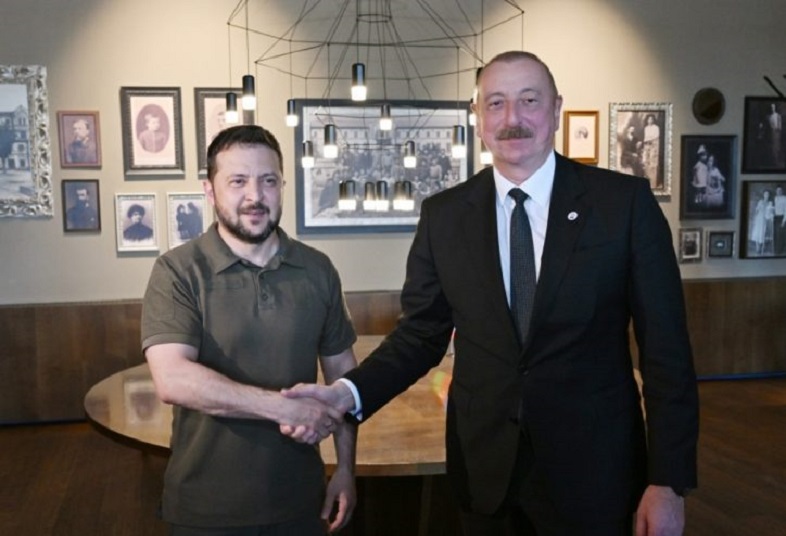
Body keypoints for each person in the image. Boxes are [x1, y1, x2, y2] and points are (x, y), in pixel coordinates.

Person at [283, 50, 698, 536]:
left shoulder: (622, 205)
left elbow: (667, 352)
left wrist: (667, 482)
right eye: (496, 103)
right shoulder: (444, 216)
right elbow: (420, 336)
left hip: (595, 474)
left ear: (556, 109)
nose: (512, 118)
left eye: (529, 100)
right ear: (478, 118)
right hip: (484, 474)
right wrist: (346, 393)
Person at [140, 124, 358, 535]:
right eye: (238, 181)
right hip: (205, 508)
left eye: (268, 181)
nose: (255, 196)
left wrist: (346, 468)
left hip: (301, 503)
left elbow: (344, 379)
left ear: (282, 187)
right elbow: (173, 379)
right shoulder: (178, 271)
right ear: (210, 191)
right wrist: (283, 408)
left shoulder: (318, 269)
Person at [750, 189, 775, 255]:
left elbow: (771, 212)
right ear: (763, 195)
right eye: (765, 194)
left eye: (767, 194)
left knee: (762, 233)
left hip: (765, 219)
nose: (766, 195)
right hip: (759, 218)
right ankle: (757, 248)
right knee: (757, 232)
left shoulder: (770, 203)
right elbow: (757, 210)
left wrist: (770, 215)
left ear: (769, 195)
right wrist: (755, 219)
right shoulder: (760, 201)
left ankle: (761, 247)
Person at [641, 114, 660, 188]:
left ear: (653, 120)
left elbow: (656, 136)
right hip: (647, 145)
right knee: (646, 162)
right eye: (649, 119)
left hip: (654, 146)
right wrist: (646, 141)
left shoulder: (656, 127)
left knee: (653, 163)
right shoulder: (646, 128)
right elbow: (645, 137)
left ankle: (653, 183)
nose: (650, 121)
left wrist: (649, 139)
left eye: (651, 119)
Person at [773, 185, 786, 255]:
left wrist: (784, 221)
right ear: (776, 191)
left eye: (780, 190)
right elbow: (774, 208)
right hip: (775, 217)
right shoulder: (775, 198)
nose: (779, 192)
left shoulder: (784, 198)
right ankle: (776, 250)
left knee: (780, 234)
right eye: (777, 190)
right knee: (775, 234)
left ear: (782, 191)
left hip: (782, 217)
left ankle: (779, 251)